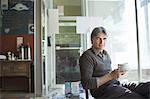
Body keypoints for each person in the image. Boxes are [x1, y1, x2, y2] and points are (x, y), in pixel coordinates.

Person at [79, 27, 150, 99]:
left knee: (147, 87)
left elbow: (109, 74)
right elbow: (86, 84)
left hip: (115, 85)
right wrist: (111, 76)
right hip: (103, 91)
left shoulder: (106, 54)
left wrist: (117, 73)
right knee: (137, 97)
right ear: (92, 40)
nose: (102, 42)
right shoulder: (87, 56)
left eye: (104, 39)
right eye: (98, 38)